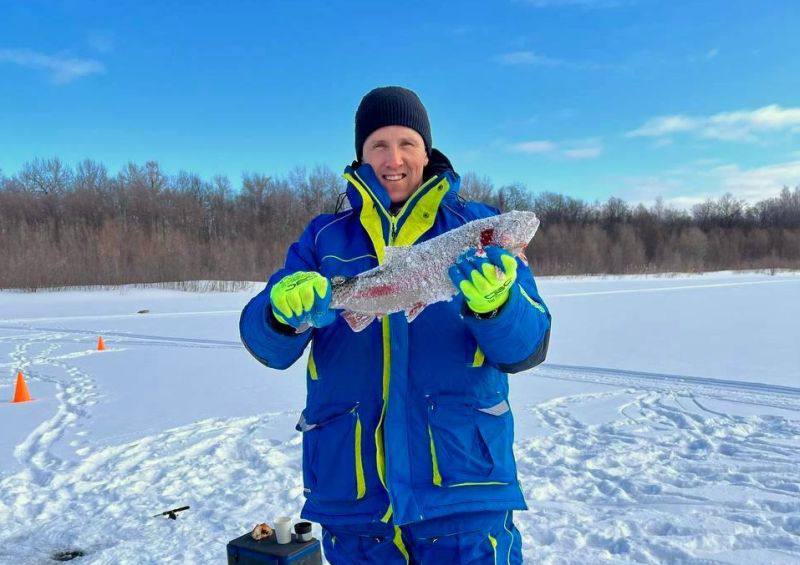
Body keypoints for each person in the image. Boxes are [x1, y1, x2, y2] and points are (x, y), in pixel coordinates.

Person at [240, 86, 551, 564]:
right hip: (355, 503)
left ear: (426, 151)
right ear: (361, 155)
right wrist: (279, 313)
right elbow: (268, 347)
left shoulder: (476, 226)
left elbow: (528, 347)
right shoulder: (324, 236)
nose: (394, 158)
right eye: (378, 145)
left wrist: (497, 306)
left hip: (463, 493)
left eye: (407, 143)